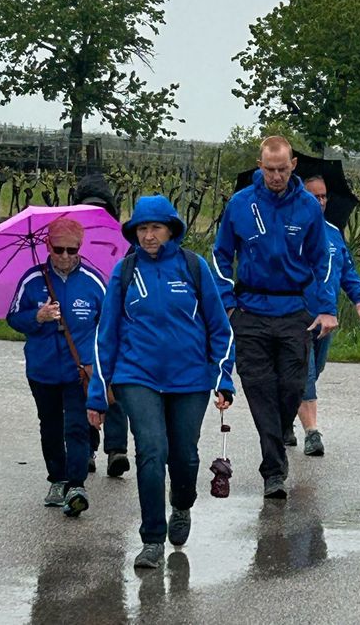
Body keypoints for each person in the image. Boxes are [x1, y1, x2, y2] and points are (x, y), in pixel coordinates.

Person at [87, 195, 235, 569]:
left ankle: (181, 505)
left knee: (184, 456)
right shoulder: (124, 272)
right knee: (151, 450)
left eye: (155, 228)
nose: (149, 236)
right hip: (137, 375)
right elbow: (106, 335)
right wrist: (97, 394)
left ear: (171, 230)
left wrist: (223, 377)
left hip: (190, 379)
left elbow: (220, 329)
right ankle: (152, 538)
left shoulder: (194, 267)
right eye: (142, 229)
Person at [212, 136, 338, 499]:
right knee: (259, 389)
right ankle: (273, 471)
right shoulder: (240, 204)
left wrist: (327, 307)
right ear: (260, 166)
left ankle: (280, 432)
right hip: (250, 310)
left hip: (294, 310)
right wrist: (228, 303)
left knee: (293, 387)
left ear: (293, 165)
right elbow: (220, 255)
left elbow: (322, 259)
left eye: (282, 169)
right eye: (269, 169)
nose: (276, 176)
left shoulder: (308, 206)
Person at [8, 217, 107, 517]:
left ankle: (76, 485)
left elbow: (109, 326)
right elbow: (13, 317)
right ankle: (57, 479)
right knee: (50, 425)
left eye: (71, 250)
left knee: (76, 426)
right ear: (47, 245)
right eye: (58, 249)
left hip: (79, 370)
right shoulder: (31, 280)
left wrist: (102, 364)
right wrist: (36, 317)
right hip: (42, 369)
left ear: (80, 247)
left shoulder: (93, 282)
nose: (64, 256)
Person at [289, 175, 360, 457]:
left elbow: (346, 270)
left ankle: (286, 417)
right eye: (314, 196)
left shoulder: (334, 232)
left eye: (323, 196)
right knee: (305, 372)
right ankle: (312, 433)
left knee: (317, 368)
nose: (321, 201)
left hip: (326, 316)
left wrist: (359, 298)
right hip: (296, 315)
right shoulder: (290, 231)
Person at [73, 172, 131, 479]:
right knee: (94, 384)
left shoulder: (124, 244)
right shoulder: (73, 243)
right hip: (93, 322)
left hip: (109, 321)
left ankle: (107, 449)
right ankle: (99, 448)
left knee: (106, 384)